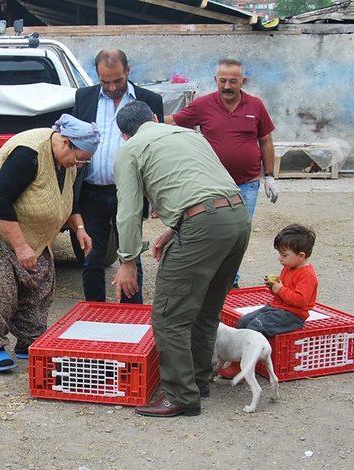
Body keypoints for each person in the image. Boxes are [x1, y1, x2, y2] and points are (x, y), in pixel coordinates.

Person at [111, 101, 251, 417]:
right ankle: (198, 382)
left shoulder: (130, 150)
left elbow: (129, 212)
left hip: (202, 225)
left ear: (123, 134)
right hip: (238, 217)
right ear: (156, 119)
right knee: (206, 309)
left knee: (168, 315)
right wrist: (174, 231)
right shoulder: (188, 135)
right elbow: (205, 186)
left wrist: (128, 261)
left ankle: (180, 396)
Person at [0, 114, 99, 372]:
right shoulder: (29, 154)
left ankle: (28, 340)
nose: (80, 165)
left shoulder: (68, 164)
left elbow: (68, 199)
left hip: (31, 223)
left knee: (40, 279)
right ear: (65, 142)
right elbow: (0, 199)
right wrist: (21, 247)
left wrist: (79, 228)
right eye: (80, 158)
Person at [166, 58, 278, 286]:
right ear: (215, 80)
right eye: (222, 80)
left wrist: (270, 176)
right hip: (212, 184)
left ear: (242, 81)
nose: (227, 86)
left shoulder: (255, 105)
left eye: (233, 81)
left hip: (246, 185)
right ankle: (214, 278)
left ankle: (230, 280)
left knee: (238, 234)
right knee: (214, 232)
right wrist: (147, 120)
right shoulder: (203, 105)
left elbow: (265, 141)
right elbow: (174, 122)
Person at [72, 49, 163, 303]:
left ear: (128, 71)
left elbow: (156, 148)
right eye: (105, 81)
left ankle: (131, 317)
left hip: (130, 193)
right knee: (91, 257)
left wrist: (154, 196)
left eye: (118, 81)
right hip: (91, 192)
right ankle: (95, 314)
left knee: (130, 256)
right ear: (97, 76)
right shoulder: (84, 97)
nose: (112, 87)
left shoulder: (149, 100)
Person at [238, 224, 317, 335]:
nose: (280, 258)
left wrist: (279, 289)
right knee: (243, 321)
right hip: (276, 308)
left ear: (301, 256)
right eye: (280, 254)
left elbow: (301, 300)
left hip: (293, 315)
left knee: (255, 326)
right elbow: (282, 292)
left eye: (284, 255)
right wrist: (273, 286)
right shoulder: (288, 267)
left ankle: (256, 351)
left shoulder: (307, 274)